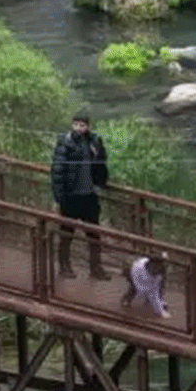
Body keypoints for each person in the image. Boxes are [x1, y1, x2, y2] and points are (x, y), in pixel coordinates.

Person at [50, 113, 110, 280]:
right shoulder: (66, 142)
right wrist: (58, 197)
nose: (79, 128)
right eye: (76, 125)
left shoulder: (94, 141)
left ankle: (96, 268)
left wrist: (97, 153)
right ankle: (64, 266)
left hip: (89, 195)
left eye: (82, 125)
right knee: (67, 234)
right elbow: (57, 171)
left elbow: (102, 162)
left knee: (94, 235)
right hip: (70, 196)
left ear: (88, 126)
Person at [121, 252, 171, 320]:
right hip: (133, 271)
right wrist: (161, 312)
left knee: (159, 285)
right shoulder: (143, 271)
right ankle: (127, 299)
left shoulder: (156, 269)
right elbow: (152, 293)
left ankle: (160, 301)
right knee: (135, 288)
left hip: (141, 269)